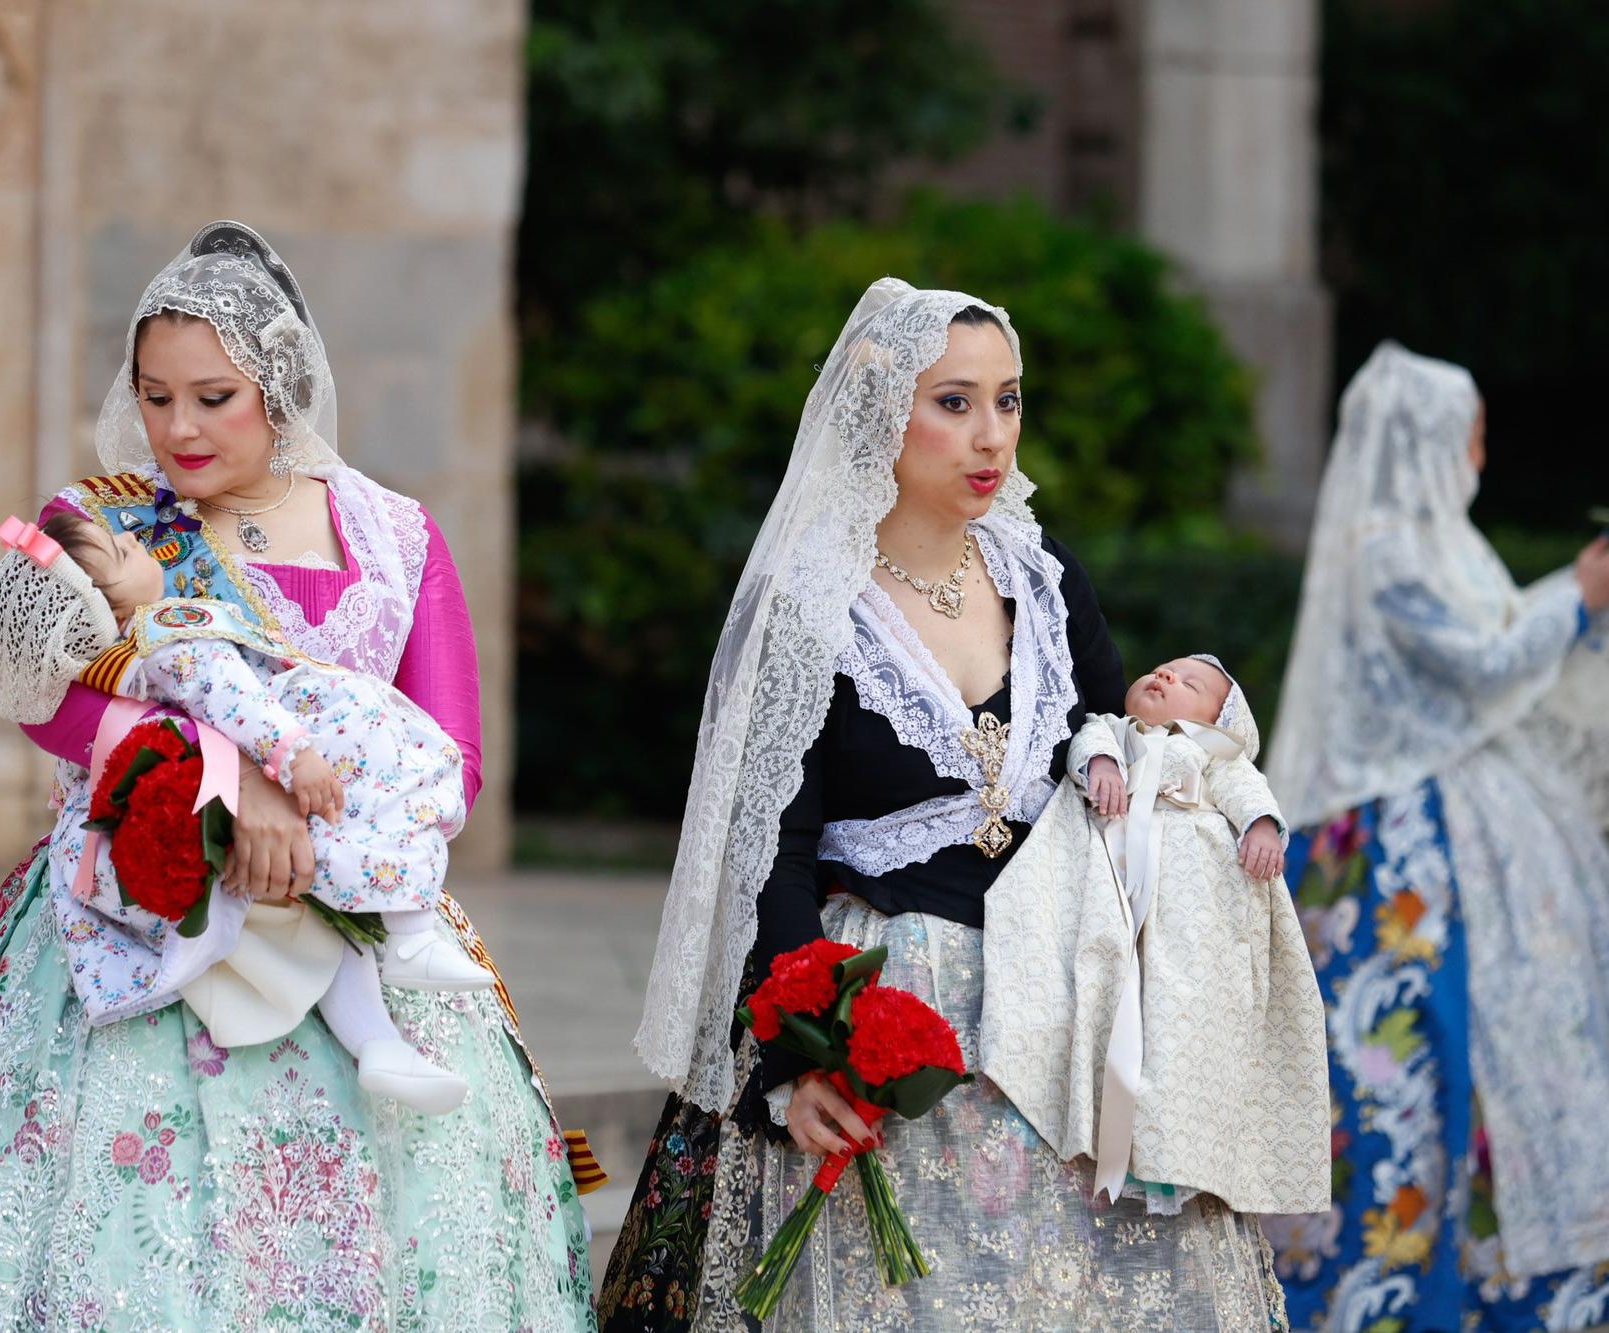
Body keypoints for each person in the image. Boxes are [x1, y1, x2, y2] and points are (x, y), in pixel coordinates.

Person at [0, 221, 596, 1330]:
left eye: (213, 397)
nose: (177, 427)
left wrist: (324, 829)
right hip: (148, 888)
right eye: (155, 394)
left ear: (280, 383)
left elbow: (450, 752)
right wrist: (229, 782)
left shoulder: (398, 536)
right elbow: (52, 702)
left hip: (363, 885)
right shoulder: (102, 523)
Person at [599, 280, 1285, 1330]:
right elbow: (767, 848)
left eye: (1007, 402)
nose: (990, 437)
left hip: (1066, 1016)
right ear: (881, 411)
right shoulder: (807, 606)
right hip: (889, 1016)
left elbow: (1134, 773)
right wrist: (796, 1058)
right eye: (954, 403)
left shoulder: (1045, 577)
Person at [1258, 341, 1609, 1330]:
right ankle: (1378, 1286)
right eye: (1472, 434)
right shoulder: (1387, 545)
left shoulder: (1439, 538)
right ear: (1425, 438)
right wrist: (1575, 596)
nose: (1480, 456)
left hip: (1466, 812)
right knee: (1401, 1054)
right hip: (1394, 835)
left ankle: (1497, 1282)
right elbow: (1477, 659)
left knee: (1494, 1051)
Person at [0, 504, 498, 1116]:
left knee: (324, 919)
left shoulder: (389, 527)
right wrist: (282, 760)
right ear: (111, 612)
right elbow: (229, 696)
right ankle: (403, 954)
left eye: (213, 400)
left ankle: (380, 1045)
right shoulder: (169, 629)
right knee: (326, 883)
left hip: (223, 823)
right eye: (155, 399)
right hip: (232, 802)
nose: (129, 536)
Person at [981, 653, 1330, 1218]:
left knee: (1176, 1021)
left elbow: (1246, 788)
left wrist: (1262, 827)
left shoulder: (1213, 752)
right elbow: (1087, 744)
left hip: (1186, 908)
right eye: (1164, 670)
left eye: (1189, 683)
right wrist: (1102, 768)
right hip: (1111, 886)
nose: (1167, 677)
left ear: (1220, 722)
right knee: (1098, 987)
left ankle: (1169, 1156)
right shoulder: (1113, 731)